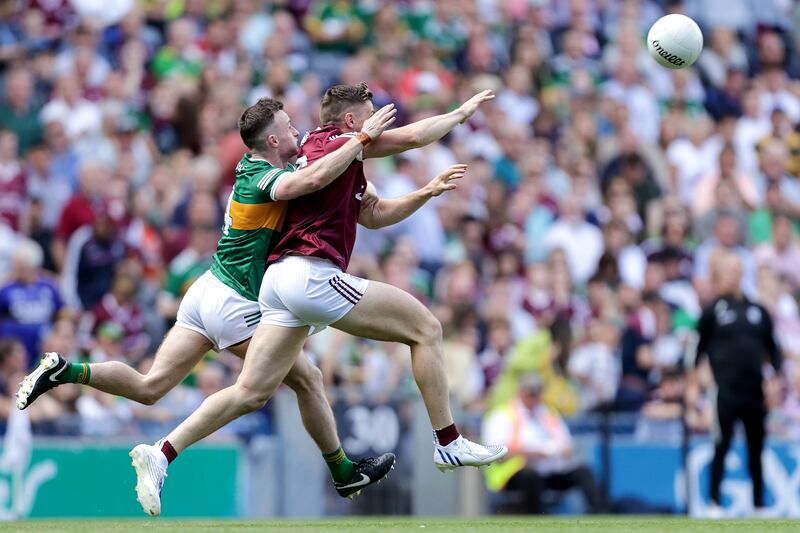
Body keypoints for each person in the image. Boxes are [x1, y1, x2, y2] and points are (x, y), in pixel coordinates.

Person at [16, 97, 399, 514]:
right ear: (272, 138)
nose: (296, 131)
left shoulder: (261, 165)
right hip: (235, 299)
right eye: (289, 127)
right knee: (288, 383)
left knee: (150, 387)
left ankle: (65, 370)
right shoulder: (264, 174)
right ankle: (166, 453)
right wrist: (361, 139)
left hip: (207, 289)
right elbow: (308, 183)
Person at [139, 84, 506, 515]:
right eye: (369, 115)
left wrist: (424, 192)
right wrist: (461, 112)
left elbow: (373, 214)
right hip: (310, 275)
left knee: (250, 391)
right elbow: (411, 137)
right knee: (427, 328)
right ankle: (449, 442)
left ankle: (161, 452)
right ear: (351, 121)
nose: (377, 122)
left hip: (276, 284)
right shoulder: (344, 144)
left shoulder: (320, 152)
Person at [693, 250, 782, 518]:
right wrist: (699, 380)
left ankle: (758, 505)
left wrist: (774, 379)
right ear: (719, 275)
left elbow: (773, 349)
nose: (733, 275)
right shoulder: (713, 310)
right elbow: (698, 351)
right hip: (725, 391)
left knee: (757, 448)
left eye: (736, 270)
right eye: (727, 270)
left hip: (754, 391)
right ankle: (714, 503)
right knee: (722, 445)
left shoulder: (757, 310)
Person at [482, 372, 600, 514]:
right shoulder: (503, 415)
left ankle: (600, 514)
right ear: (521, 391)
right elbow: (496, 453)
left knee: (584, 472)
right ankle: (537, 519)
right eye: (530, 392)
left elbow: (567, 445)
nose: (534, 397)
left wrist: (558, 450)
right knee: (531, 477)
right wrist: (534, 453)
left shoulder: (548, 413)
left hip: (549, 471)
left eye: (537, 392)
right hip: (514, 474)